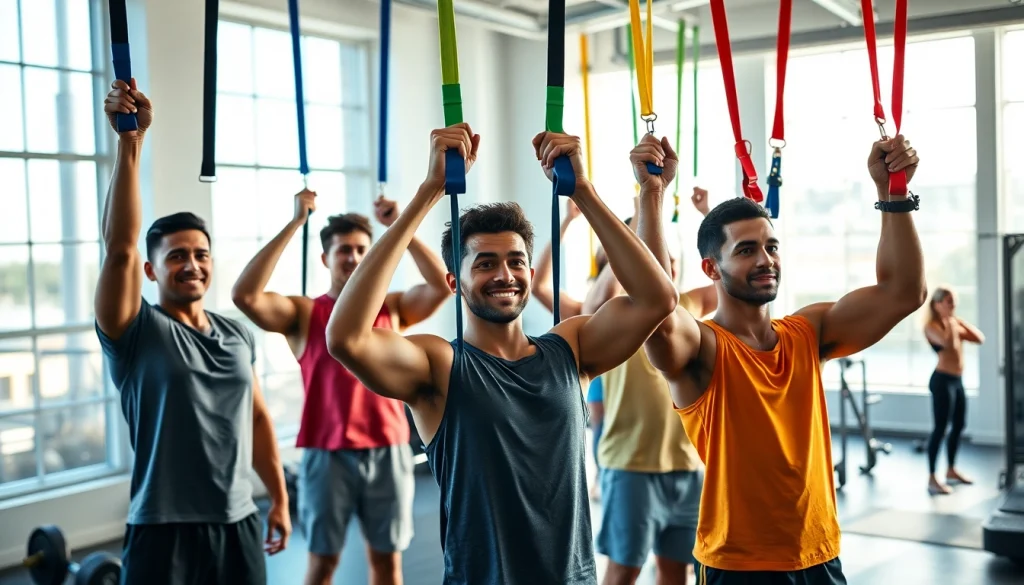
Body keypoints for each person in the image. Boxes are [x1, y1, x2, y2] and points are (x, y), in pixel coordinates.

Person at [325, 124, 679, 584]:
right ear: (454, 282)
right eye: (485, 263)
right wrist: (429, 192)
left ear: (530, 273)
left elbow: (658, 299)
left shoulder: (571, 348)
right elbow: (346, 338)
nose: (504, 274)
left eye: (515, 261)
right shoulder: (440, 366)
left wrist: (585, 192)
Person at [636, 132, 925, 584]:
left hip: (820, 554)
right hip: (741, 566)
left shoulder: (808, 333)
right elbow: (655, 304)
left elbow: (903, 292)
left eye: (771, 246)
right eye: (746, 250)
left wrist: (894, 194)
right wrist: (651, 194)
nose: (766, 259)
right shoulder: (702, 348)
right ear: (711, 269)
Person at [94, 79, 290, 584]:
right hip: (163, 530)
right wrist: (130, 143)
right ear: (152, 270)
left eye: (201, 254)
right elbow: (119, 247)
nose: (192, 264)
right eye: (176, 255)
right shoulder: (135, 331)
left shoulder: (237, 334)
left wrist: (279, 499)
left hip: (238, 521)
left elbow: (260, 421)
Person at [231, 189, 451, 585]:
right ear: (325, 258)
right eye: (343, 250)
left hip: (387, 449)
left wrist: (399, 227)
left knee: (387, 565)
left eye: (362, 249)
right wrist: (296, 222)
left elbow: (441, 286)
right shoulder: (303, 314)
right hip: (325, 454)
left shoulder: (393, 308)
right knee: (322, 565)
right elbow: (246, 296)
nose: (353, 257)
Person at [584, 186, 716, 585]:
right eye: (653, 261)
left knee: (678, 569)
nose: (665, 267)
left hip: (687, 464)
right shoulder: (615, 311)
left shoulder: (689, 306)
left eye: (670, 262)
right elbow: (589, 309)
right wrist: (629, 240)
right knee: (624, 570)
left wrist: (708, 213)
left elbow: (728, 279)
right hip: (630, 465)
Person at [530, 198, 608, 499]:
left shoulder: (654, 310)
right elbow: (541, 285)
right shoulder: (586, 311)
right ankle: (601, 474)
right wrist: (566, 223)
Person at [922, 286, 985, 495]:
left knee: (959, 425)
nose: (953, 305)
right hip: (941, 381)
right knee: (940, 428)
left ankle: (950, 470)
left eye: (954, 302)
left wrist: (957, 320)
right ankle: (932, 477)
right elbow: (946, 344)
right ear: (937, 304)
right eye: (948, 302)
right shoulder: (931, 326)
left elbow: (979, 338)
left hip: (957, 381)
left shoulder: (953, 323)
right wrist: (950, 321)